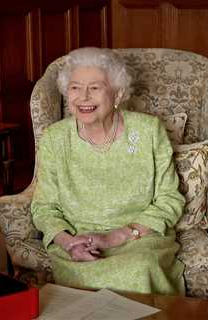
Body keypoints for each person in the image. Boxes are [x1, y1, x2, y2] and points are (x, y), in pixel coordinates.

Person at [31, 47, 186, 295]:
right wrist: (69, 243)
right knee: (76, 283)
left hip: (138, 238)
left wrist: (117, 236)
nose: (83, 97)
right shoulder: (54, 138)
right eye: (75, 87)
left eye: (94, 87)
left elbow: (170, 199)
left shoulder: (148, 131)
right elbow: (44, 207)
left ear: (117, 94)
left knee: (139, 269)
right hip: (78, 241)